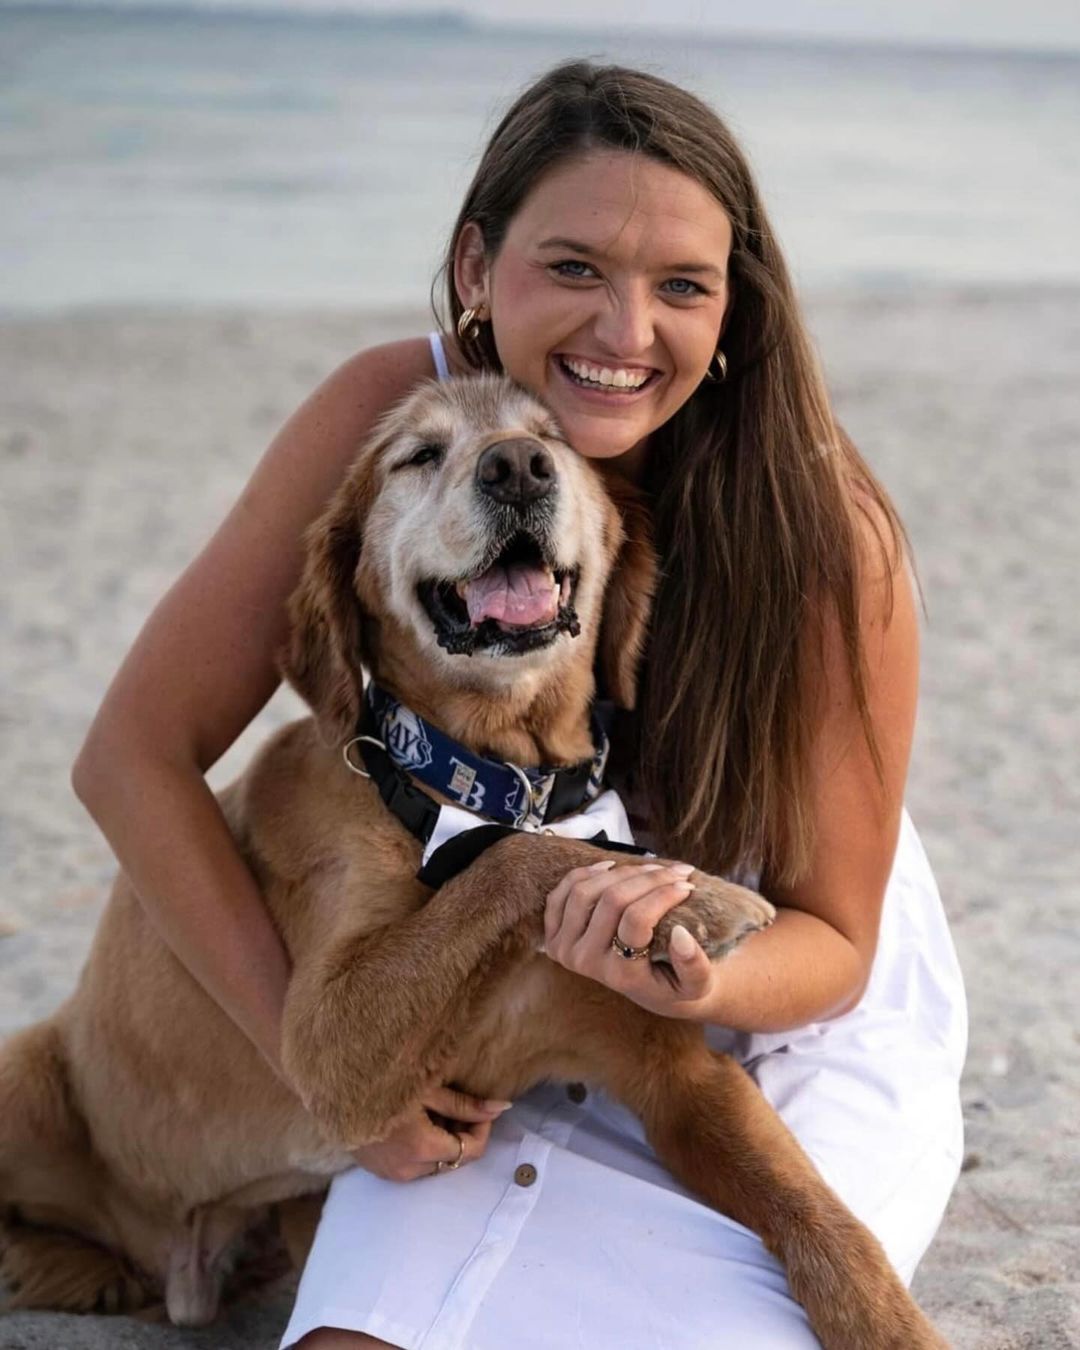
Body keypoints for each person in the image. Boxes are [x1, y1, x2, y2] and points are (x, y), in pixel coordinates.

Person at [72, 62, 966, 1349]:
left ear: (736, 310)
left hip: (782, 967)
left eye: (683, 287)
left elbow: (835, 943)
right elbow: (134, 756)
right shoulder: (390, 419)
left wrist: (688, 971)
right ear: (477, 266)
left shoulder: (822, 530)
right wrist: (321, 1079)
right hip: (496, 936)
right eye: (575, 267)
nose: (625, 332)